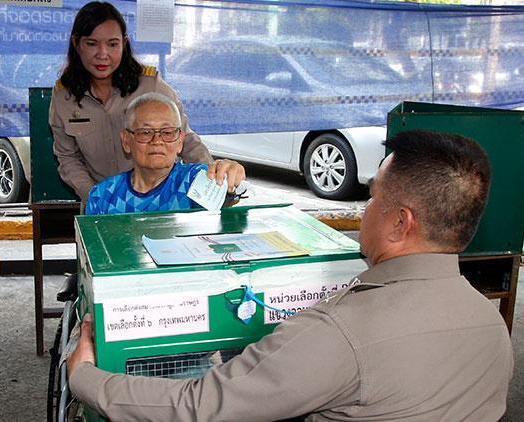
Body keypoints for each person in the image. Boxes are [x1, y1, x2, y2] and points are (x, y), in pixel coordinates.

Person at [66, 130, 514, 421]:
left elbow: (200, 406)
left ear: (400, 223)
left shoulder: (339, 332)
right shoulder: (492, 325)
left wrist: (86, 377)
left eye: (374, 198)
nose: (365, 210)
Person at [50, 1, 237, 202]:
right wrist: (95, 196)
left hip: (159, 202)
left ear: (124, 43)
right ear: (76, 44)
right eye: (92, 44)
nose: (102, 55)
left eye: (112, 44)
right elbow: (68, 157)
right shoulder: (63, 97)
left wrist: (214, 185)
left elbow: (187, 141)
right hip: (100, 202)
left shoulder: (151, 87)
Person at [85, 92, 245, 215]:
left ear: (180, 141)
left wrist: (229, 177)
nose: (157, 140)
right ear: (126, 141)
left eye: (167, 132)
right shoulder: (103, 195)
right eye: (145, 132)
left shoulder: (193, 180)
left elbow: (227, 198)